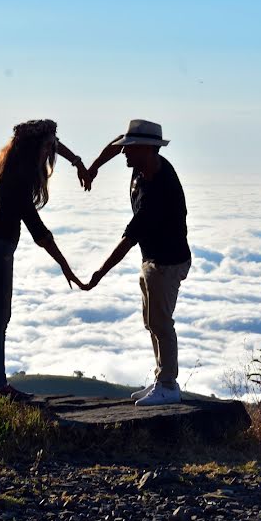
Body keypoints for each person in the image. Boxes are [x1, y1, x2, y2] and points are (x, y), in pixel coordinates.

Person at [0, 119, 87, 401]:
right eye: (48, 145)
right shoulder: (19, 180)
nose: (52, 151)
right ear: (36, 147)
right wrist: (65, 266)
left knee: (0, 317)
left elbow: (57, 146)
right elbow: (40, 233)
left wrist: (77, 162)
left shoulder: (12, 166)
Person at [81, 119, 192, 406]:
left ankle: (168, 384)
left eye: (131, 148)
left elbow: (127, 240)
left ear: (147, 148)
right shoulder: (145, 165)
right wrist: (93, 167)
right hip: (154, 258)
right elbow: (115, 145)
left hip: (167, 262)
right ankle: (161, 379)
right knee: (151, 322)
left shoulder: (158, 191)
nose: (124, 152)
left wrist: (98, 275)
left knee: (161, 323)